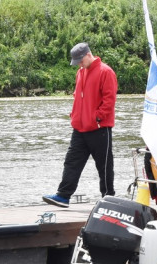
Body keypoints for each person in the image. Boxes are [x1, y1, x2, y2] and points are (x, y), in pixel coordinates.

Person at [43, 42, 118, 207]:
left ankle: (108, 198)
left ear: (88, 55)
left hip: (100, 129)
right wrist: (75, 116)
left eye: (80, 60)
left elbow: (109, 100)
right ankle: (63, 196)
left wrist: (97, 118)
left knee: (104, 165)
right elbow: (78, 97)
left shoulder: (106, 72)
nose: (79, 64)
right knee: (71, 162)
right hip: (79, 128)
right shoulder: (80, 72)